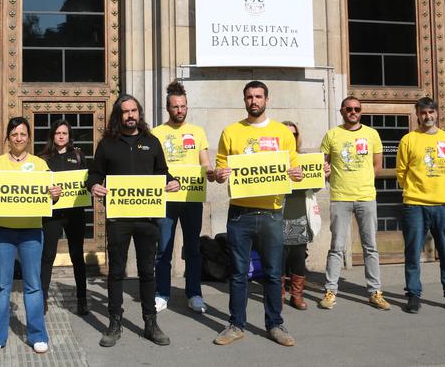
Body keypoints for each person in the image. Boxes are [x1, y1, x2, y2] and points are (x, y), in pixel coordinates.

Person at [212, 81, 302, 347]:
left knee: (274, 273)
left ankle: (275, 324)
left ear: (267, 99)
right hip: (240, 213)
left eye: (258, 96)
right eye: (249, 96)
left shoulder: (282, 133)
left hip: (272, 212)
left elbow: (293, 167)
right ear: (244, 99)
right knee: (239, 273)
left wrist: (296, 174)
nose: (254, 101)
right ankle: (236, 324)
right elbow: (220, 170)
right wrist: (219, 175)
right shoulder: (231, 132)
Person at [88, 94, 180, 347]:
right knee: (116, 271)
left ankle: (150, 323)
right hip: (119, 218)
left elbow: (162, 172)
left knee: (147, 271)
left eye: (134, 111)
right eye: (125, 111)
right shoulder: (107, 144)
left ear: (139, 113)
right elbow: (94, 172)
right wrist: (94, 185)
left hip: (148, 218)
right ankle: (114, 322)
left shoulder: (152, 142)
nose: (130, 115)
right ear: (118, 116)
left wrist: (173, 181)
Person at [0, 117, 61, 355]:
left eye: (23, 134)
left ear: (29, 137)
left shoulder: (39, 164)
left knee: (33, 285)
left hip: (31, 231)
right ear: (8, 138)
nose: (18, 138)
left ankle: (37, 334)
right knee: (3, 285)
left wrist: (55, 194)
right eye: (14, 134)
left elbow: (51, 197)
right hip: (3, 231)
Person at [397, 97, 445, 315]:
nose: (427, 116)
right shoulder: (408, 140)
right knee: (412, 252)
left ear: (437, 114)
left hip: (442, 205)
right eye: (423, 113)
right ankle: (413, 295)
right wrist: (416, 188)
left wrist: (439, 186)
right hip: (415, 205)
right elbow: (401, 171)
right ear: (417, 115)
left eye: (431, 112)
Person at [318, 96, 390, 310]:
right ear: (342, 111)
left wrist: (364, 181)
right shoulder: (332, 134)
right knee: (337, 247)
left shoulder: (371, 134)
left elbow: (377, 165)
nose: (353, 111)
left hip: (366, 197)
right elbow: (322, 164)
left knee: (370, 246)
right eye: (349, 108)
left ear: (361, 111)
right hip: (340, 197)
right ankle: (330, 291)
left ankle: (375, 292)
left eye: (356, 108)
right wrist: (326, 173)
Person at [152, 80, 211, 314]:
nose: (179, 110)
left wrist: (211, 172)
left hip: (191, 199)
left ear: (187, 107)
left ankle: (194, 293)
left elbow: (204, 162)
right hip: (165, 201)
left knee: (193, 248)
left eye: (183, 106)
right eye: (175, 106)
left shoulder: (197, 132)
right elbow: (153, 167)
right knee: (163, 249)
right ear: (168, 107)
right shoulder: (157, 133)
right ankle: (161, 293)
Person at [39, 119, 89, 316]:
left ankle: (82, 299)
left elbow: (86, 181)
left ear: (69, 136)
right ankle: (42, 299)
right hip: (52, 214)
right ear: (53, 136)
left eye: (64, 133)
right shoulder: (43, 159)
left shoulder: (77, 156)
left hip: (74, 213)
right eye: (58, 133)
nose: (61, 136)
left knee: (77, 256)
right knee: (48, 256)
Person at [281, 121, 327, 310]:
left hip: (300, 213)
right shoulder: (273, 159)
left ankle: (296, 295)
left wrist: (323, 175)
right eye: (287, 134)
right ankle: (279, 294)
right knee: (279, 257)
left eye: (294, 134)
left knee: (299, 256)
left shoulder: (305, 159)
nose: (291, 137)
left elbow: (315, 187)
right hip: (278, 213)